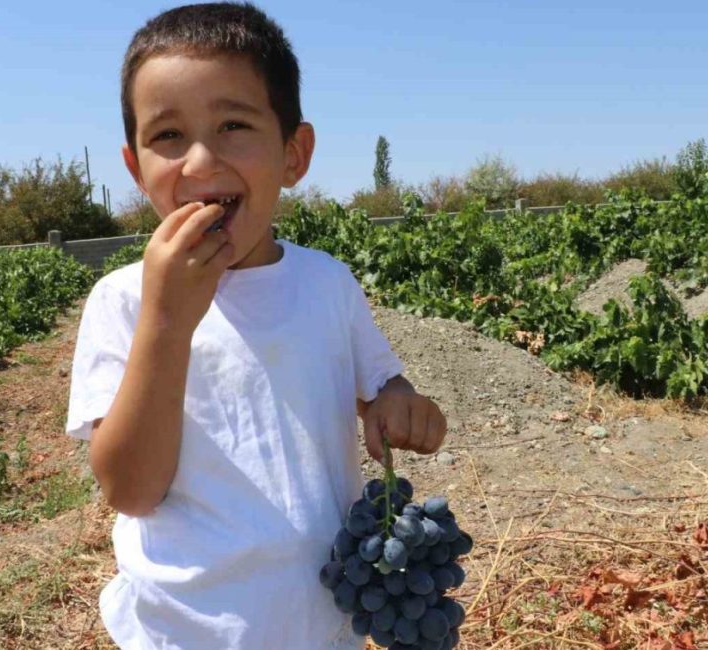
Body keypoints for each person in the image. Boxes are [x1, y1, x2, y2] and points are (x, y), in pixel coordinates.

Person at [65, 3, 448, 648]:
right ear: (135, 169)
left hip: (320, 623)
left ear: (293, 155)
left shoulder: (327, 283)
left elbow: (382, 386)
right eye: (167, 136)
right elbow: (129, 489)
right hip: (183, 630)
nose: (199, 160)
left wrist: (401, 405)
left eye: (234, 124)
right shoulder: (123, 302)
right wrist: (167, 319)